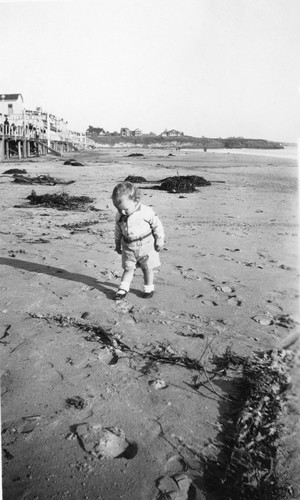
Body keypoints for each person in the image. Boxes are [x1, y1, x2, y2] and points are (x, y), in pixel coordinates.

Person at [112, 182, 165, 300]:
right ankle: (123, 288)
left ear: (135, 200)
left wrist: (159, 239)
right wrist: (117, 243)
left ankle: (148, 288)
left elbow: (157, 225)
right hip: (128, 247)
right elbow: (118, 230)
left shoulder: (146, 211)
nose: (122, 212)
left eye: (125, 209)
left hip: (146, 246)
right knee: (128, 268)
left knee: (147, 268)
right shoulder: (119, 215)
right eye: (118, 209)